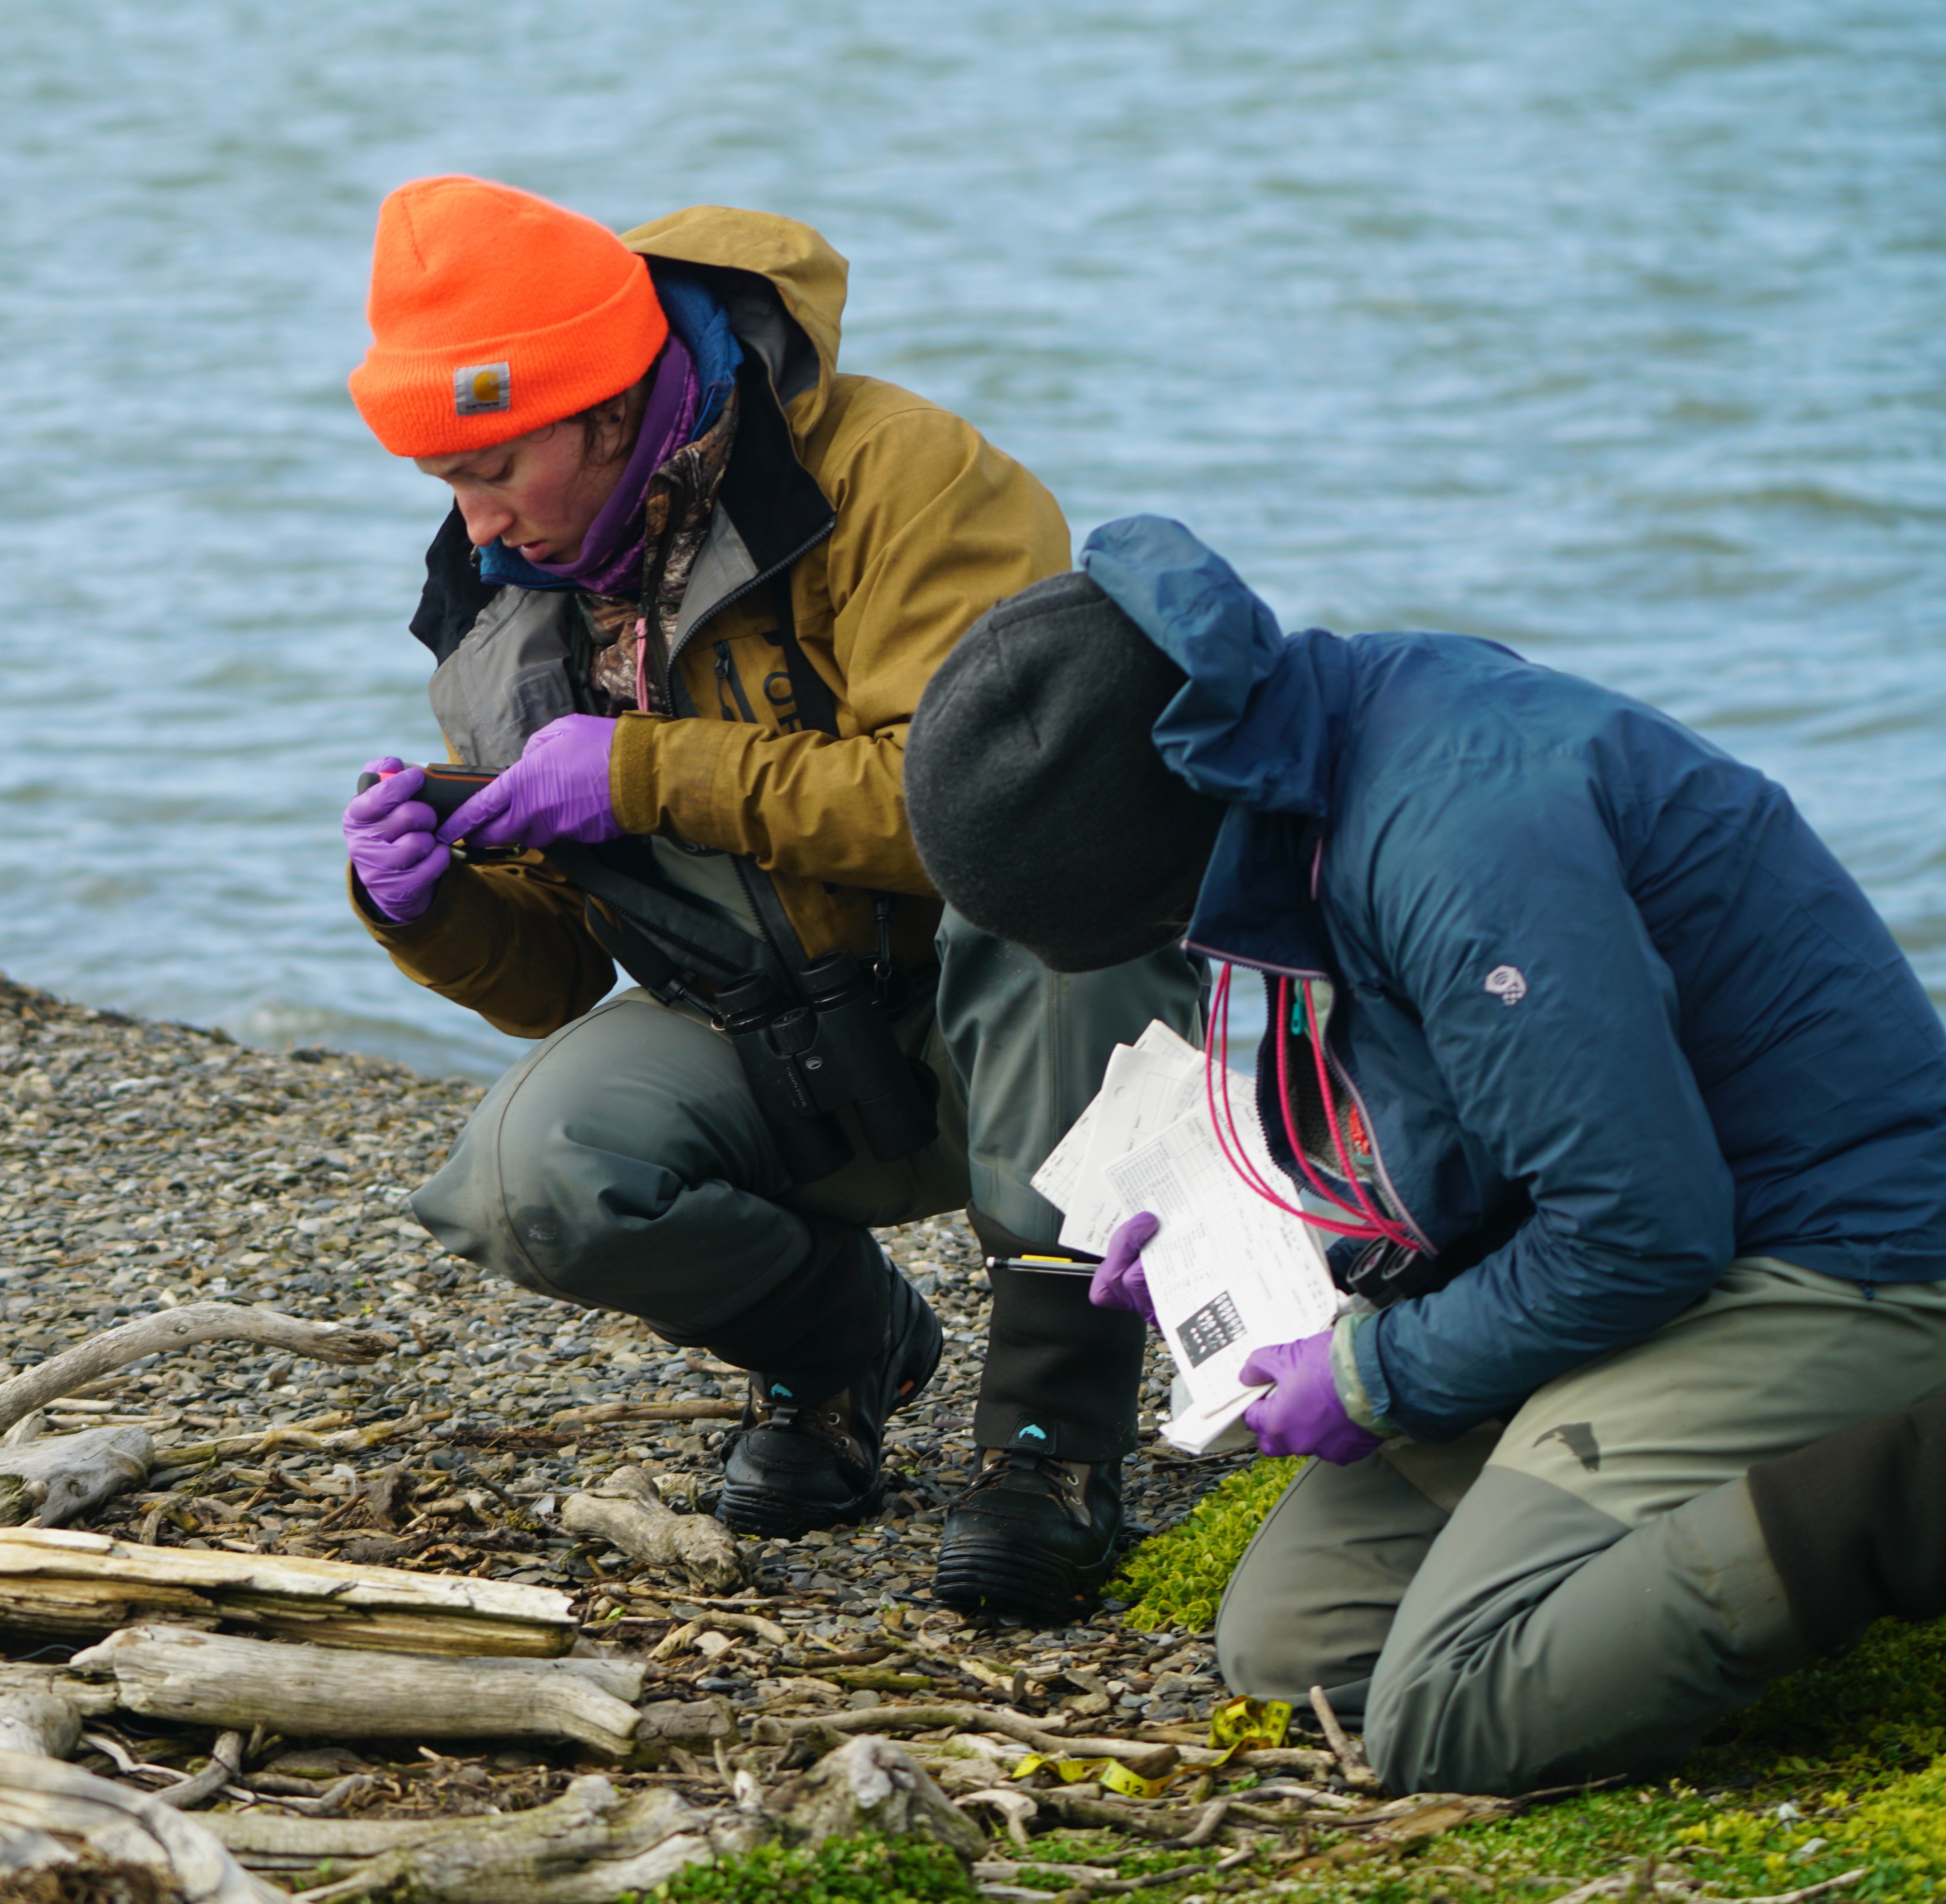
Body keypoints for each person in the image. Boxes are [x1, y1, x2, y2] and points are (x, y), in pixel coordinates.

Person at [900, 514, 1946, 1793]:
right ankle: (1667, 1529)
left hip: (1835, 1255)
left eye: (1162, 930)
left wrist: (1375, 1375)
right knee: (1297, 1646)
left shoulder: (1464, 847)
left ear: (1170, 863)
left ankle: (1905, 1492)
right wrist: (1234, 1234)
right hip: (1658, 1245)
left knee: (1450, 1717)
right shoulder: (1299, 756)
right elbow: (1457, 1122)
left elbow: (1640, 1229)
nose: (1178, 951)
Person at [336, 175, 1197, 1616]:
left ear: (609, 407)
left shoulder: (900, 476)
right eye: (444, 486)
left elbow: (978, 811)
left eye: (495, 468)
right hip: (783, 1039)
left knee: (1056, 905)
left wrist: (643, 775)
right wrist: (422, 902)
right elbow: (555, 980)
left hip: (1001, 1010)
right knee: (521, 1182)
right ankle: (840, 1354)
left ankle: (1050, 1444)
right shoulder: (508, 596)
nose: (477, 526)